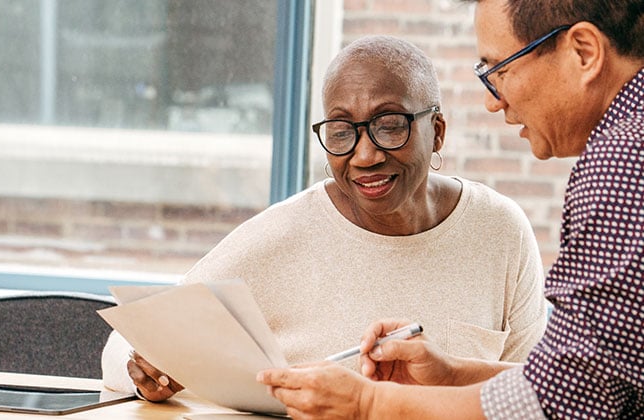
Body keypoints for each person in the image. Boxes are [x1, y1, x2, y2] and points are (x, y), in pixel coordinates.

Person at [102, 34, 548, 403]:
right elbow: (127, 341)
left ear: (437, 132)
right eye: (341, 131)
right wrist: (148, 373)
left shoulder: (500, 231)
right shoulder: (280, 235)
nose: (365, 154)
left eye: (389, 124)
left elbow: (537, 395)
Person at [257, 0, 644, 418]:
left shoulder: (621, 163)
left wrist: (367, 404)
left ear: (583, 51)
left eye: (501, 70)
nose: (493, 102)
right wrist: (452, 375)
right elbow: (595, 381)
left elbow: (568, 400)